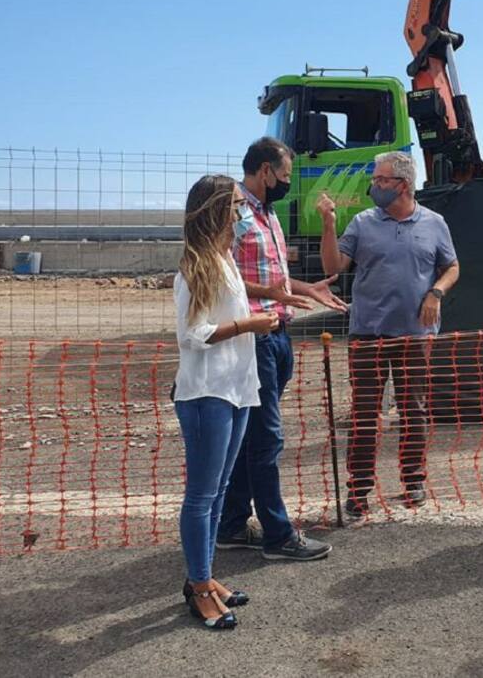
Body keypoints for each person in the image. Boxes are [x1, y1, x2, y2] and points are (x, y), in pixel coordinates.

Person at [217, 137, 346, 561]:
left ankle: (232, 525)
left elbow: (276, 277)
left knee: (253, 436)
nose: (288, 183)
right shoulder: (233, 210)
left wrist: (306, 288)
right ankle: (277, 535)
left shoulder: (267, 213)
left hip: (277, 335)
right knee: (266, 438)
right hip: (255, 336)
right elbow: (221, 274)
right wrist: (271, 292)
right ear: (265, 171)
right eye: (286, 175)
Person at [318, 151, 459, 516]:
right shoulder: (363, 223)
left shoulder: (434, 223)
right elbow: (334, 266)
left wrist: (436, 292)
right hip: (369, 334)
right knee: (366, 413)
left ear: (404, 185)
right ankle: (359, 488)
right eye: (376, 179)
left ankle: (413, 480)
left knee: (414, 409)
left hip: (416, 335)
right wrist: (329, 225)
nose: (375, 186)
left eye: (382, 180)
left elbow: (452, 267)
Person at [173, 175, 277, 629]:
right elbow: (192, 335)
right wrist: (248, 325)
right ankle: (198, 588)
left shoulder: (226, 259)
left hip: (237, 388)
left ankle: (206, 574)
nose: (243, 211)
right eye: (236, 204)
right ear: (217, 209)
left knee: (217, 492)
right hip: (206, 393)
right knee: (201, 495)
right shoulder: (195, 266)